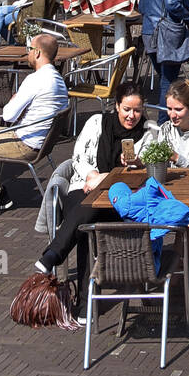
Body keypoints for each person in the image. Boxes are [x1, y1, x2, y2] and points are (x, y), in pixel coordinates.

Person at [35, 81, 156, 304]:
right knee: (87, 220)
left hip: (120, 200)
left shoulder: (148, 134)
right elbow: (78, 156)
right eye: (127, 109)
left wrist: (122, 170)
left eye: (137, 110)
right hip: (84, 186)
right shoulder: (96, 122)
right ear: (117, 106)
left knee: (86, 222)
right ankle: (85, 301)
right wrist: (92, 175)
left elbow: (139, 176)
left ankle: (55, 257)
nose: (132, 116)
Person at [0, 32, 67, 208]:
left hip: (25, 144)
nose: (27, 53)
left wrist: (14, 101)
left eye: (29, 49)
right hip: (40, 141)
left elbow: (8, 115)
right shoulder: (58, 79)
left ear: (37, 53)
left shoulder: (35, 79)